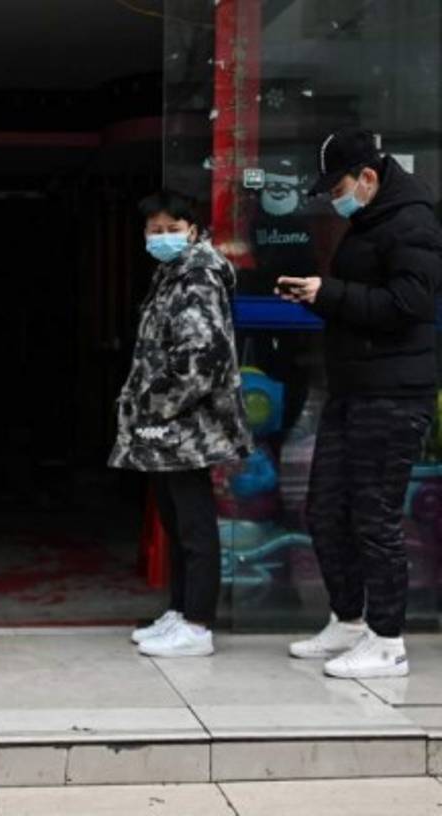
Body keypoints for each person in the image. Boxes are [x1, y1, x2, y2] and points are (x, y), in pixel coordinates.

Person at [277, 127, 442, 679]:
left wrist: (333, 293)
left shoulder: (412, 220)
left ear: (368, 177)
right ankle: (348, 621)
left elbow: (410, 303)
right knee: (324, 508)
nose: (334, 198)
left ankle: (388, 639)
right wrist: (319, 296)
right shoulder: (368, 221)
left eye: (338, 187)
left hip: (394, 394)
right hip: (354, 389)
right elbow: (360, 304)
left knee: (375, 516)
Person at [112, 191, 252, 658]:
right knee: (174, 519)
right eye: (155, 230)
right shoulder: (172, 275)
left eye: (174, 228)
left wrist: (154, 405)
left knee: (194, 524)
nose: (164, 237)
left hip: (188, 424)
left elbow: (200, 358)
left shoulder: (198, 277)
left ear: (193, 231)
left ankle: (197, 624)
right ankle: (179, 610)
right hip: (172, 425)